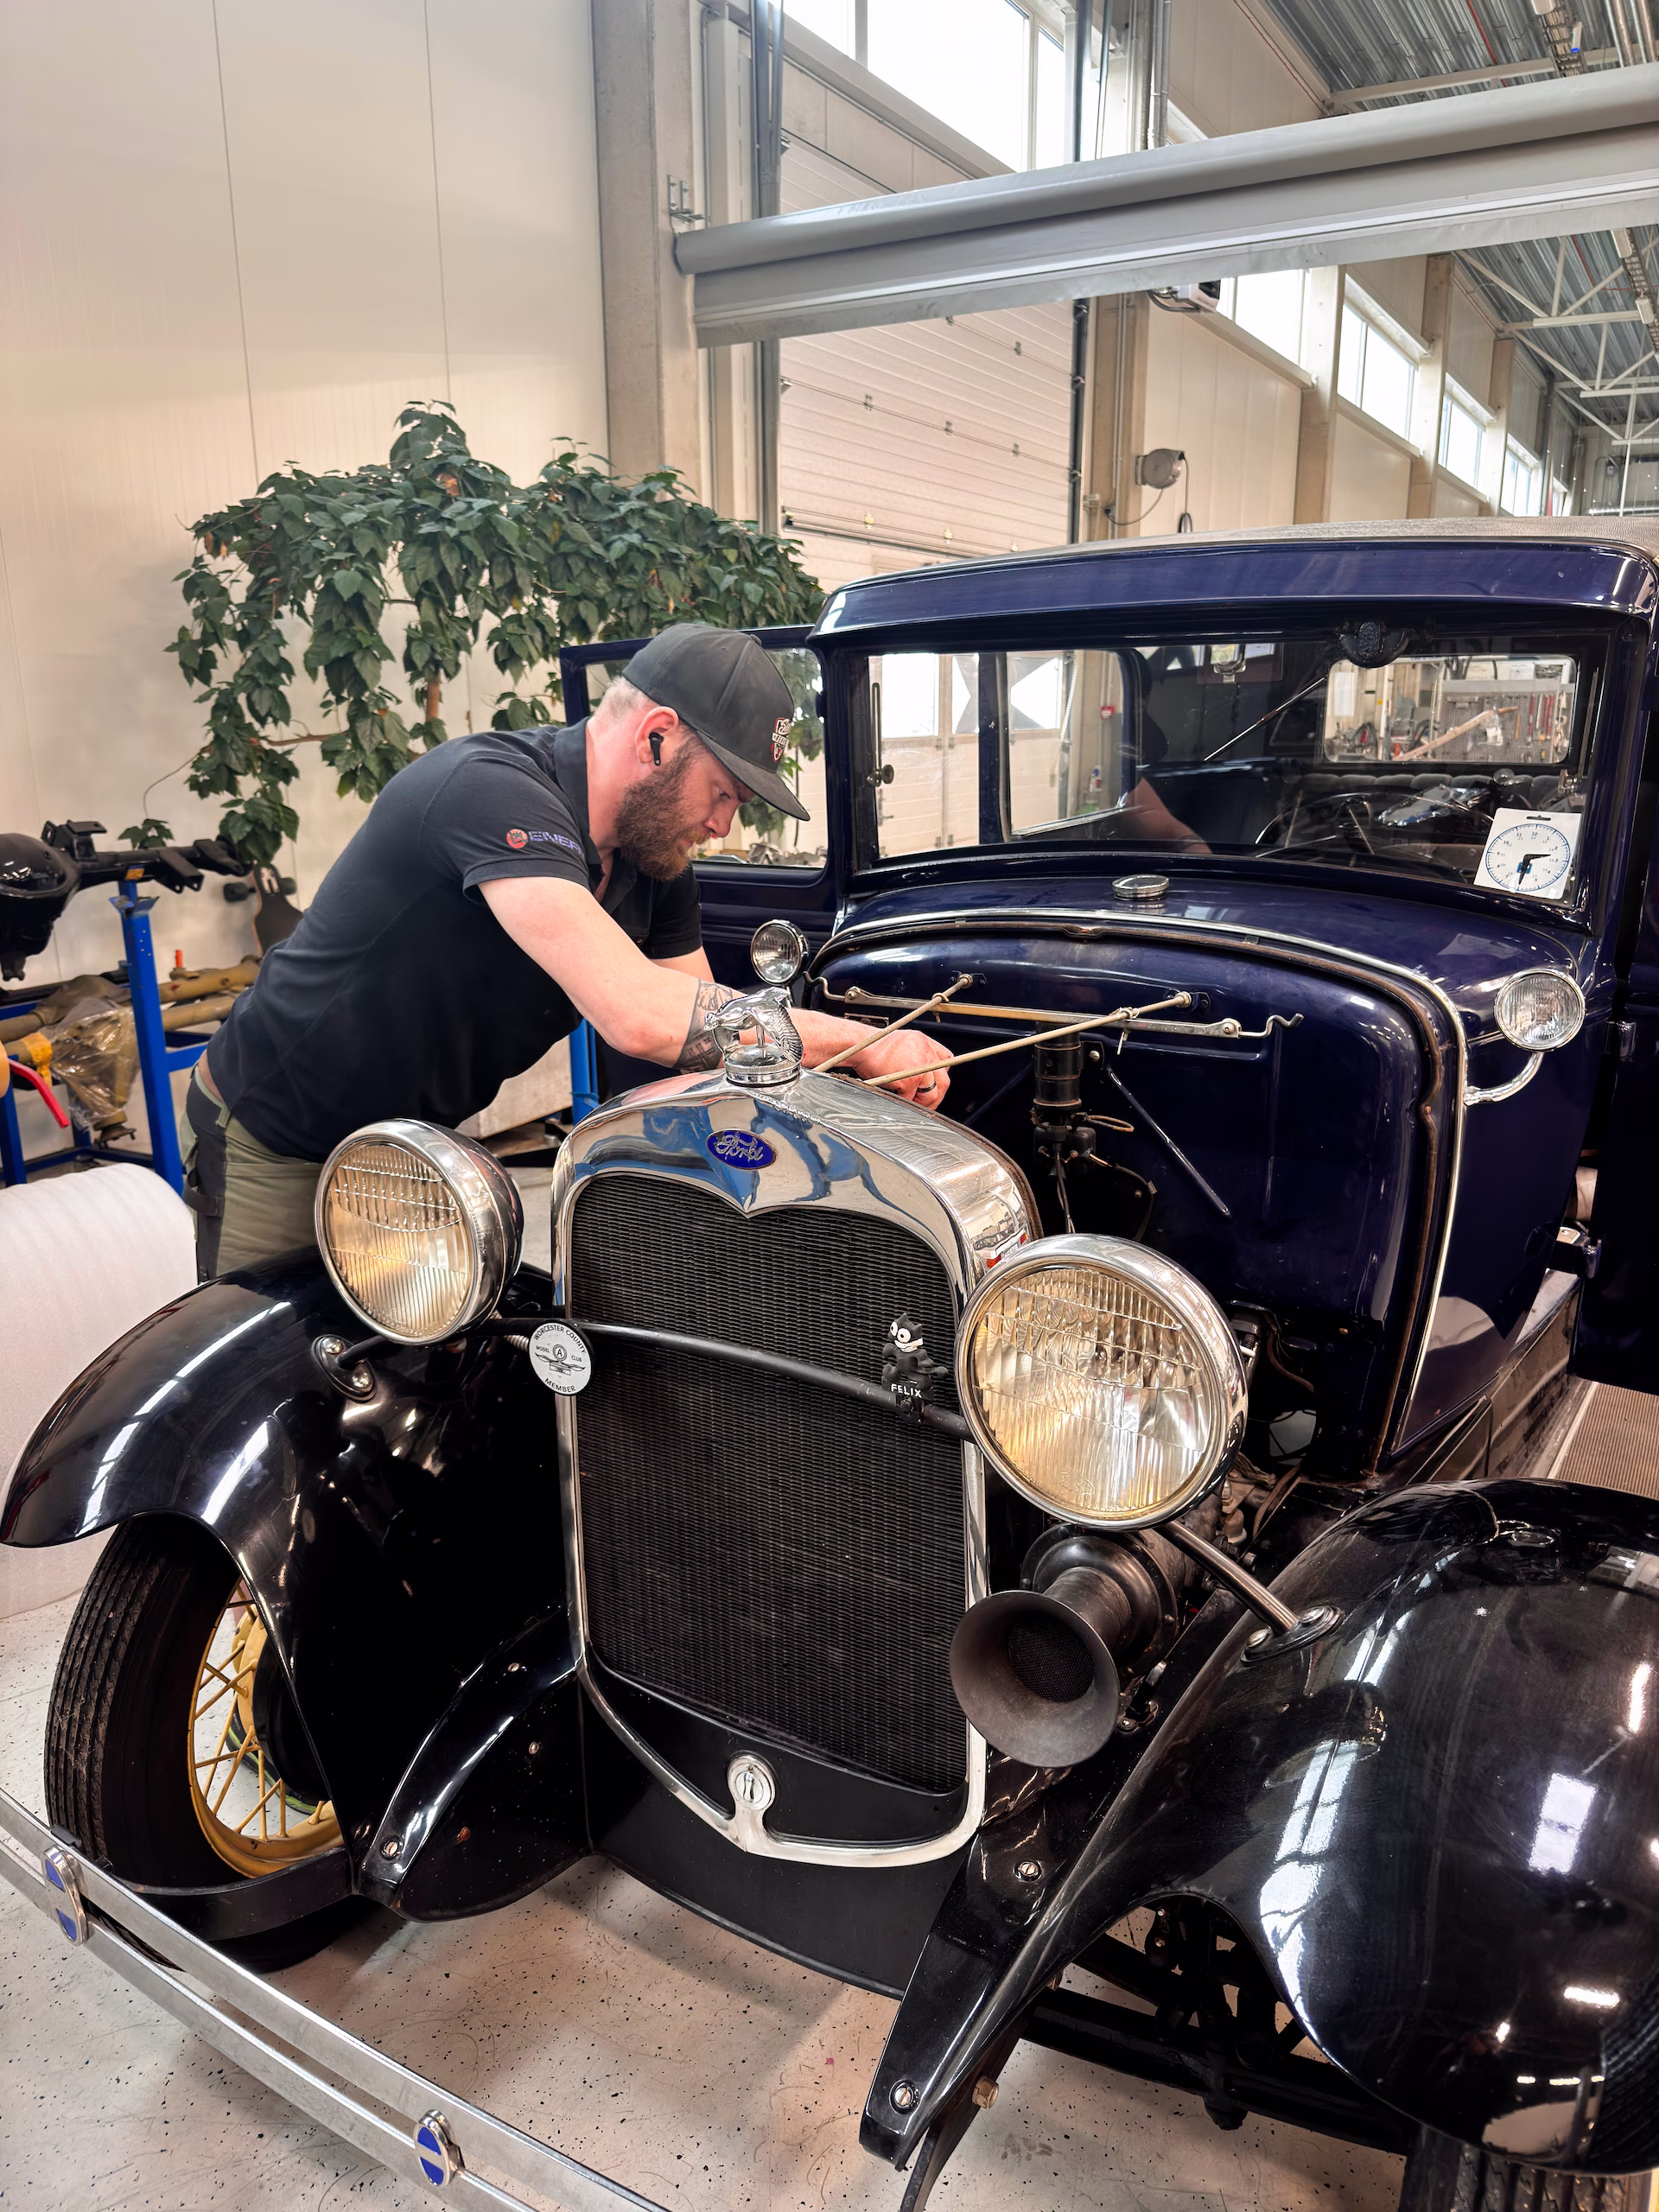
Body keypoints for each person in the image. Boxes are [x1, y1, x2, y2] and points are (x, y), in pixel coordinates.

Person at [182, 624, 950, 1276]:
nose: (724, 828)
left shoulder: (656, 864)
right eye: (723, 793)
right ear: (657, 735)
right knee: (265, 1376)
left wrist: (846, 1109)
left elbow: (710, 1038)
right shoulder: (490, 790)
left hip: (415, 1147)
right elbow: (639, 1016)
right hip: (279, 1132)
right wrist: (861, 1042)